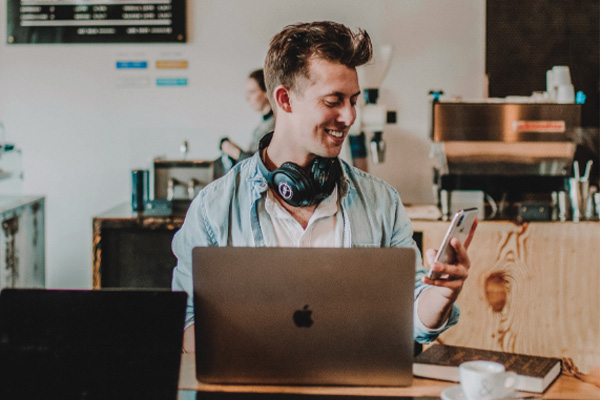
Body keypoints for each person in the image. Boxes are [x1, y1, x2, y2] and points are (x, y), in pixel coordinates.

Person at [172, 21, 476, 353]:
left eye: (353, 100)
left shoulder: (382, 202)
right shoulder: (212, 210)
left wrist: (442, 294)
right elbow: (186, 325)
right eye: (333, 101)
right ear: (285, 100)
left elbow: (411, 318)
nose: (349, 117)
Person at [220, 69, 275, 163]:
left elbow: (261, 165)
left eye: (252, 92)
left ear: (266, 92)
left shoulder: (276, 125)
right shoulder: (265, 122)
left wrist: (235, 152)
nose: (247, 98)